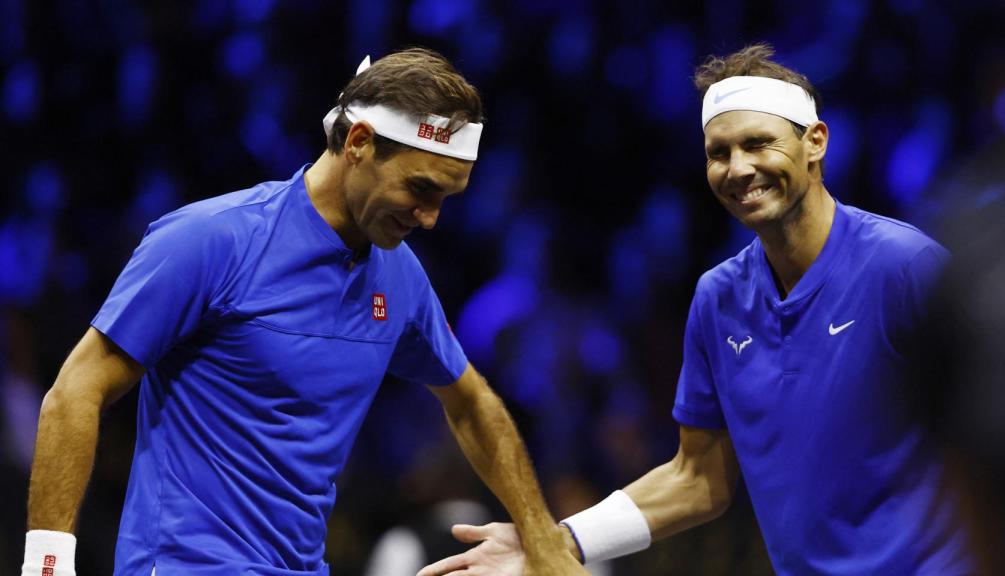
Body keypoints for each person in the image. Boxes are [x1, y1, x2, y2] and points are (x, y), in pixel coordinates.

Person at [21, 48, 585, 576]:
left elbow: (472, 402)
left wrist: (542, 539)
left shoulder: (401, 276)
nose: (432, 217)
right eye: (420, 188)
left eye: (445, 198)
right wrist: (46, 566)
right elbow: (76, 391)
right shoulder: (211, 240)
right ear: (359, 141)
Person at [418, 43, 974, 576]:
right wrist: (557, 542)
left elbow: (997, 431)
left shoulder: (907, 268)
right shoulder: (718, 297)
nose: (737, 168)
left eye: (759, 143)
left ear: (816, 143)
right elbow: (698, 477)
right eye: (719, 152)